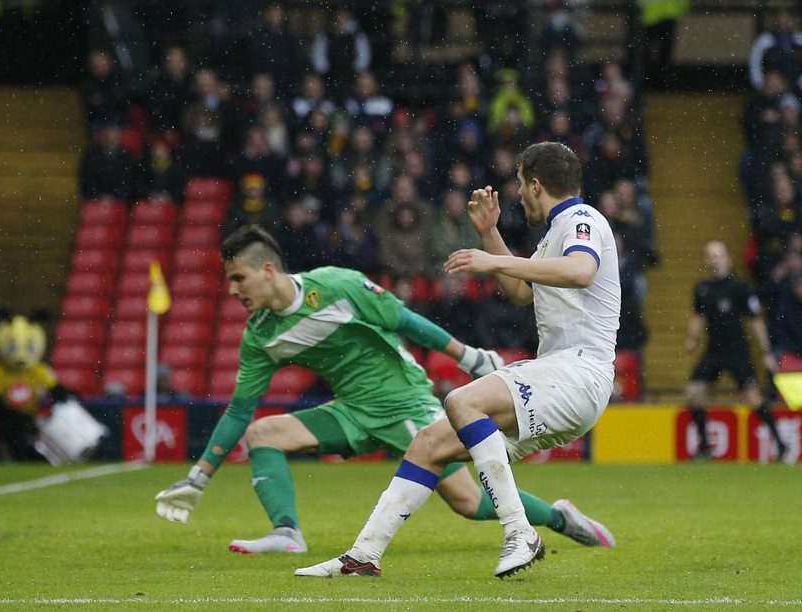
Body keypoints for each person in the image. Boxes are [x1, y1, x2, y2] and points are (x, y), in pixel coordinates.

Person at [154, 223, 611, 558]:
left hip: (404, 403)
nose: (233, 290)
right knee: (262, 434)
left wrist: (468, 357)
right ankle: (287, 532)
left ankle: (558, 517)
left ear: (267, 269)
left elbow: (405, 321)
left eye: (238, 279)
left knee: (468, 501)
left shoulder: (337, 285)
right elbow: (239, 411)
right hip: (351, 411)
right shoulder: (260, 335)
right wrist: (199, 477)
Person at [296, 141, 617, 579]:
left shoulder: (582, 220)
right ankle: (363, 557)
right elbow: (521, 292)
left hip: (579, 372)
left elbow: (581, 271)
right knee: (429, 443)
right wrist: (489, 234)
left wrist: (491, 259)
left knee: (463, 401)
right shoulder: (551, 236)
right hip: (560, 375)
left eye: (521, 185)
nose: (519, 195)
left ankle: (519, 531)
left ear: (537, 184)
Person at [683, 240, 788, 461]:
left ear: (727, 259)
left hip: (737, 350)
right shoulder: (702, 288)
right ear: (705, 260)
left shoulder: (740, 286)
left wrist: (766, 351)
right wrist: (692, 338)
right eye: (710, 255)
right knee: (693, 394)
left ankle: (780, 444)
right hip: (713, 349)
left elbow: (755, 320)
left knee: (752, 398)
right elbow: (698, 315)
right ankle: (705, 448)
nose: (714, 259)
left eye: (718, 255)